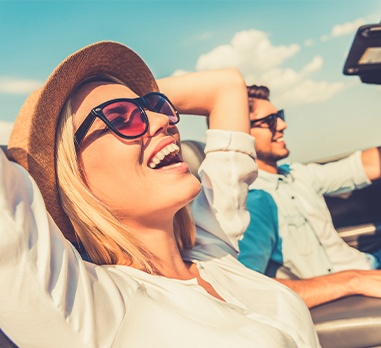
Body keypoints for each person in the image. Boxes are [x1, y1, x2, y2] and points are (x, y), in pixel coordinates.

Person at [0, 42, 320, 347]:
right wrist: (44, 123)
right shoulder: (92, 306)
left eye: (156, 106)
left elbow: (226, 86)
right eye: (121, 117)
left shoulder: (212, 248)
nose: (164, 120)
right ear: (72, 176)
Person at [237, 84, 381, 308]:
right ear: (240, 135)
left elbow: (365, 165)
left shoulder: (299, 175)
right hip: (354, 293)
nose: (283, 125)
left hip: (369, 267)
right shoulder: (254, 200)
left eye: (279, 116)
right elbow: (249, 289)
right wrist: (352, 281)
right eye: (270, 121)